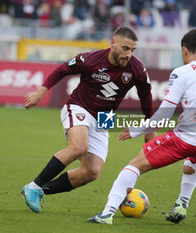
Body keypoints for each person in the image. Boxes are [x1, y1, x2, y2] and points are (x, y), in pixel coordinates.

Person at [87, 28, 196, 224]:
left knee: (134, 165)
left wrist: (137, 130)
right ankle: (182, 203)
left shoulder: (182, 72)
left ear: (184, 51)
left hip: (189, 138)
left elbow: (164, 114)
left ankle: (107, 214)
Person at [21, 26, 156, 213]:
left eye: (133, 50)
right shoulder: (90, 60)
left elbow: (146, 97)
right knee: (78, 147)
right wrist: (39, 93)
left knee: (91, 172)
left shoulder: (137, 69)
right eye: (125, 48)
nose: (129, 54)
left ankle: (40, 190)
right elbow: (62, 70)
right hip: (79, 107)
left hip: (104, 118)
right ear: (113, 43)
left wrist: (150, 127)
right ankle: (34, 187)